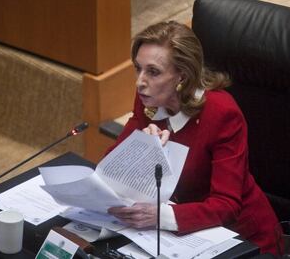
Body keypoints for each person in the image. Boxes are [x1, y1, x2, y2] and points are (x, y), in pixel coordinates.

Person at [106, 21, 279, 254]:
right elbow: (108, 167)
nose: (140, 82)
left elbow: (226, 205)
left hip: (239, 238)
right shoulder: (149, 100)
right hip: (176, 237)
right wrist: (140, 148)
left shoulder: (222, 113)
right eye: (138, 68)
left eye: (153, 72)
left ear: (182, 76)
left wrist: (160, 216)